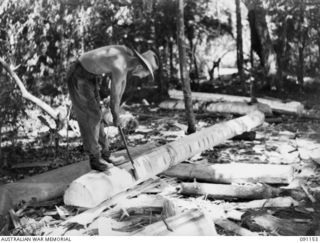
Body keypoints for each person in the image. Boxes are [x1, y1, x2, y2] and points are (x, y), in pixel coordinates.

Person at [66, 45, 158, 171]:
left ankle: (105, 154)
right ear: (140, 66)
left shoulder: (126, 57)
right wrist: (115, 116)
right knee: (92, 116)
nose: (142, 77)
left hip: (90, 76)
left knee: (96, 114)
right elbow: (114, 94)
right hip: (78, 74)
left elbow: (121, 87)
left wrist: (117, 113)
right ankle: (95, 159)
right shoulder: (120, 65)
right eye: (145, 74)